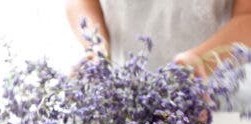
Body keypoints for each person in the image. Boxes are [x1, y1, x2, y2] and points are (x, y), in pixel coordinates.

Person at [65, 0, 251, 80]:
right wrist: (96, 47)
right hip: (119, 92)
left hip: (208, 95)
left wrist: (201, 59)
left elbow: (247, 14)